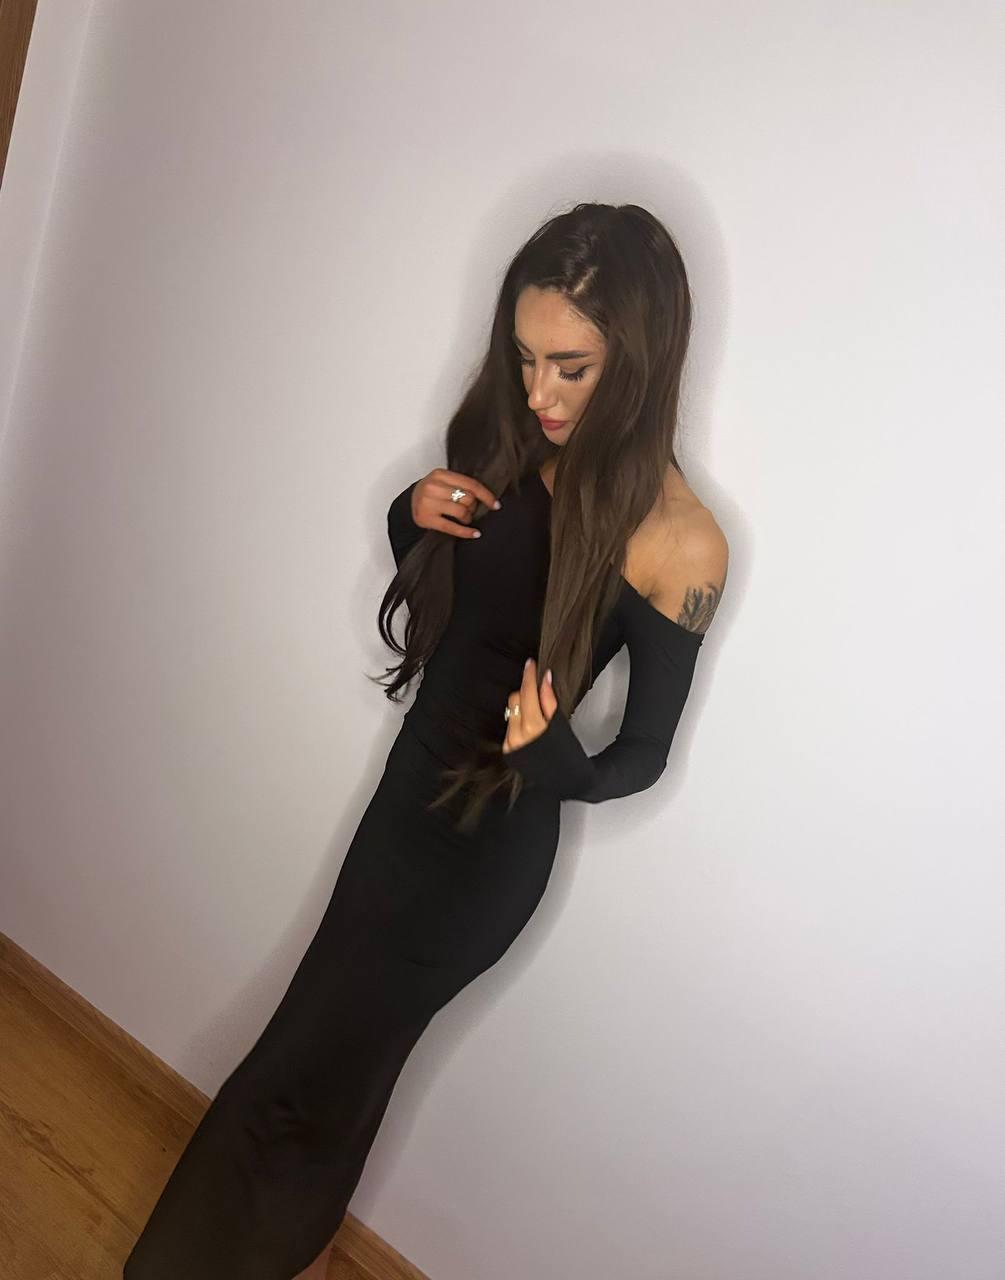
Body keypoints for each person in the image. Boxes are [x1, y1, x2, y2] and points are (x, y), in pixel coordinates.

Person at [123, 202, 728, 1279]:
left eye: (572, 368)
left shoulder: (680, 542)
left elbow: (642, 755)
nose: (539, 393)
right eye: (526, 358)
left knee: (319, 1083)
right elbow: (463, 596)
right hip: (407, 801)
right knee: (306, 1068)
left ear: (640, 361)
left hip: (486, 857)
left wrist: (561, 763)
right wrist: (411, 514)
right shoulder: (510, 438)